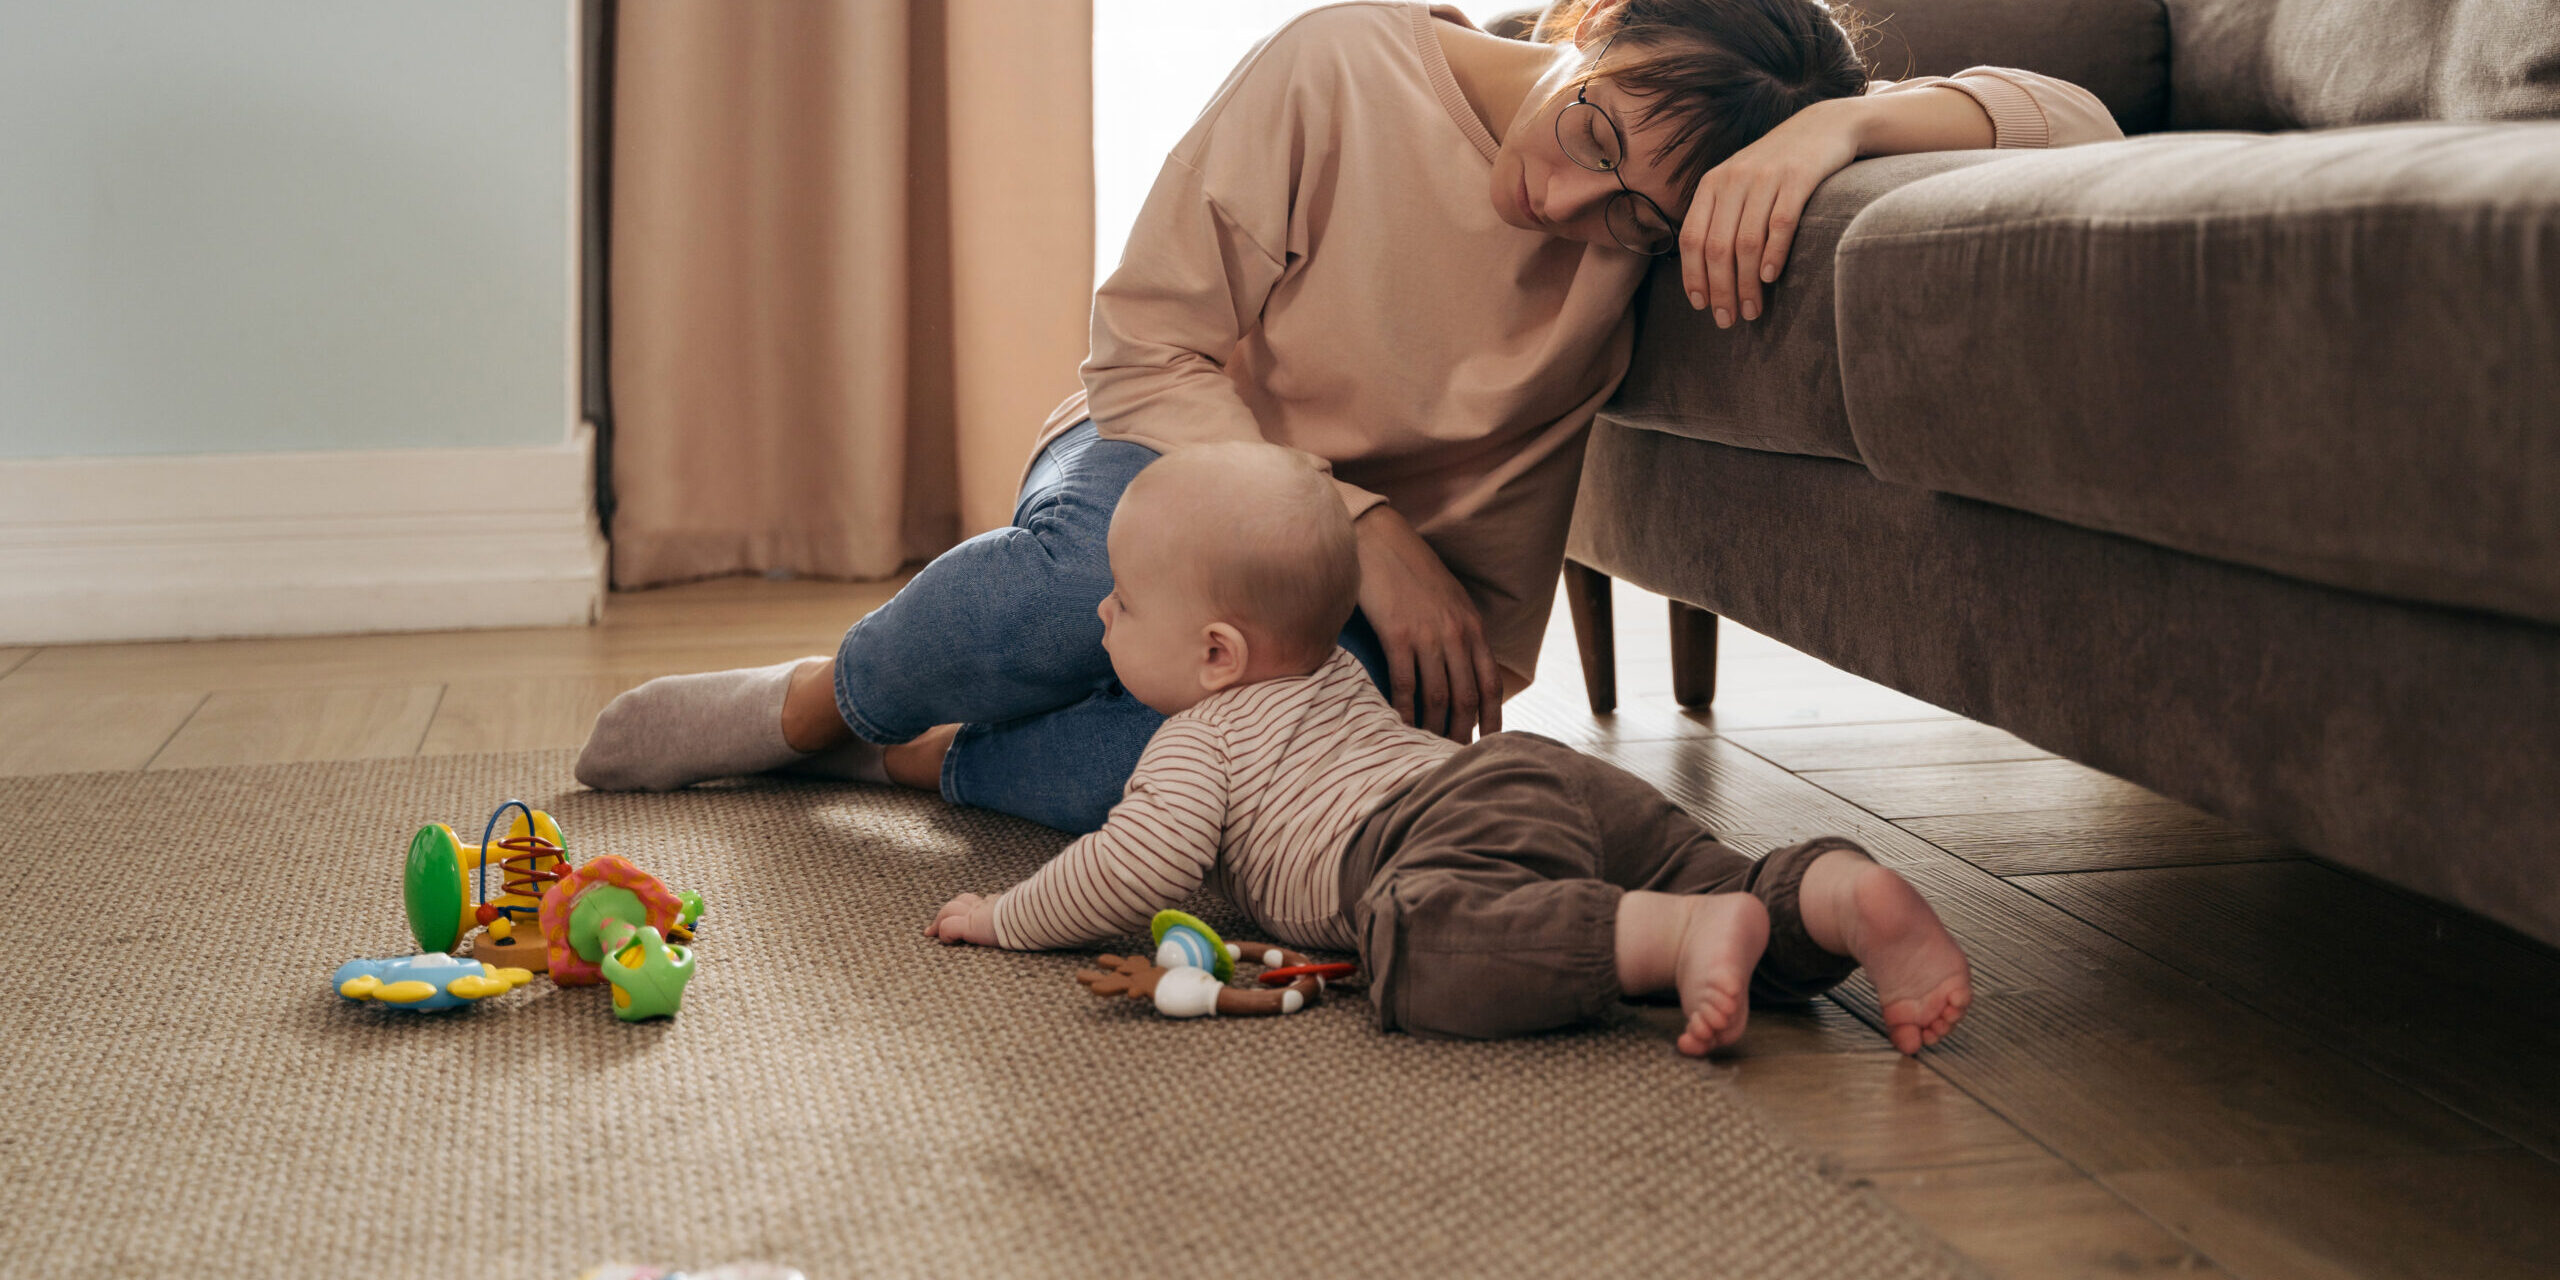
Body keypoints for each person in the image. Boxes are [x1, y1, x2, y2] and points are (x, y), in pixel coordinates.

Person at [573, 0, 2123, 833]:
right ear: (1590, 16)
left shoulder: (1661, 205)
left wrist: (1845, 127)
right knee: (1075, 584)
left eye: (1631, 219)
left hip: (1419, 607)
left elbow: (2084, 123)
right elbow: (1145, 352)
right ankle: (822, 706)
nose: (1565, 198)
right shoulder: (1341, 63)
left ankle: (919, 767)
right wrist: (1350, 518)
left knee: (1226, 781)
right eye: (1591, 126)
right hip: (1172, 453)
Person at [923, 442, 1971, 1057]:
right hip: (1532, 776)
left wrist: (1005, 916)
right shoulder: (1332, 668)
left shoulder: (1196, 738)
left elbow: (1131, 865)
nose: (1100, 612)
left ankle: (1670, 934)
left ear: (1214, 652)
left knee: (1422, 942)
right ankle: (1829, 893)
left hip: (1421, 835)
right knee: (1697, 861)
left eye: (1121, 600)